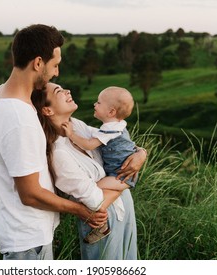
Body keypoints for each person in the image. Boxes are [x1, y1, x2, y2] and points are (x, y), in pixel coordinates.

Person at [0, 24, 108, 260]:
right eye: (55, 65)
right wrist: (81, 211)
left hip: (23, 235)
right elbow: (29, 194)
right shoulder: (19, 118)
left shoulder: (2, 94)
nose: (57, 73)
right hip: (27, 241)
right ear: (38, 63)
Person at [31, 82, 147, 259]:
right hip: (101, 222)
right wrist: (126, 182)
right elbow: (96, 202)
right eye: (58, 91)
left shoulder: (77, 126)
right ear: (47, 110)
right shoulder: (59, 154)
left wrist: (141, 153)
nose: (67, 90)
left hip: (124, 207)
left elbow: (116, 141)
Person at [62, 86, 144, 243]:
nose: (94, 104)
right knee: (99, 194)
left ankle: (101, 226)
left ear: (111, 112)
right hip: (121, 175)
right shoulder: (115, 126)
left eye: (98, 103)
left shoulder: (110, 131)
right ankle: (101, 224)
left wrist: (71, 134)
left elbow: (89, 144)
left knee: (94, 191)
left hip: (120, 175)